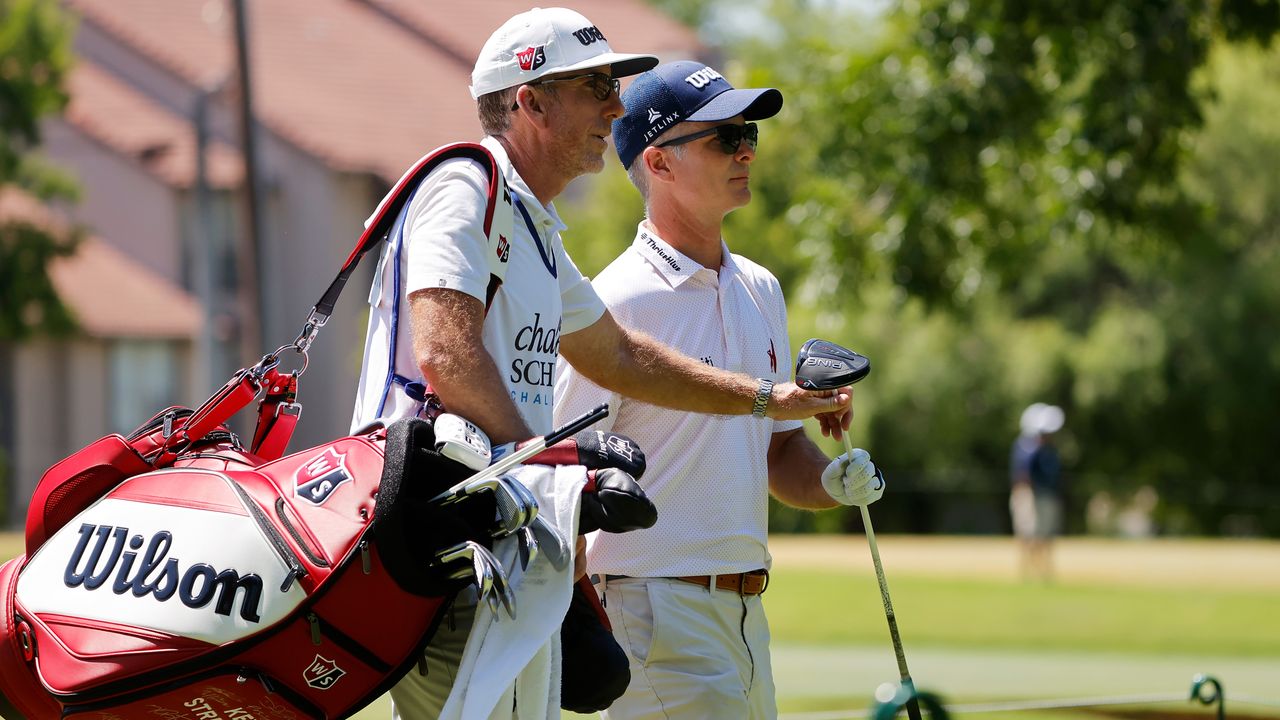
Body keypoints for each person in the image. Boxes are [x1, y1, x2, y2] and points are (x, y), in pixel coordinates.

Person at [349, 11, 854, 719]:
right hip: (444, 547)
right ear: (530, 101)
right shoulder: (466, 186)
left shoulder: (533, 226)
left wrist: (769, 400)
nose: (617, 108)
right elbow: (447, 356)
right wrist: (552, 475)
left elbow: (619, 354)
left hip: (494, 555)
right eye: (595, 87)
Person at [553, 61, 886, 720]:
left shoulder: (759, 288)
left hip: (746, 615)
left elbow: (777, 454)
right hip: (652, 610)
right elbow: (564, 478)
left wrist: (830, 483)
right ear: (660, 162)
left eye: (748, 135)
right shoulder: (613, 305)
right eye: (722, 137)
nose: (745, 150)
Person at [1010, 402, 1065, 580]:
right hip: (1031, 495)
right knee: (1028, 533)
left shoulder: (1049, 449)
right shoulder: (1026, 447)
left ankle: (1044, 571)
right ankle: (1027, 571)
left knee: (1046, 533)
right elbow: (1023, 473)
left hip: (1046, 494)